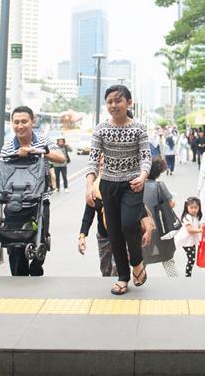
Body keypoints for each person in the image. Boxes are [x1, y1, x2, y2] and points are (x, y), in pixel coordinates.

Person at [85, 85, 152, 295]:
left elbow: (146, 157)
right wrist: (89, 187)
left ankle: (138, 262)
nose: (113, 105)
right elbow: (93, 159)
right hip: (108, 185)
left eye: (118, 100)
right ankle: (123, 277)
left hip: (132, 184)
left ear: (128, 103)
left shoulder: (139, 128)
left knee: (129, 224)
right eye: (110, 102)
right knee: (113, 233)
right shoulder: (100, 129)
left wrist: (142, 177)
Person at [1, 106, 66, 277]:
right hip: (15, 202)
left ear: (32, 122)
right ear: (12, 124)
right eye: (16, 122)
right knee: (15, 247)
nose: (20, 126)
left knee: (41, 238)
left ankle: (37, 267)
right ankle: (19, 281)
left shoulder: (44, 140)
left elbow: (61, 158)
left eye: (24, 121)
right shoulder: (7, 147)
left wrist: (36, 150)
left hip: (40, 201)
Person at [142, 157, 178, 277]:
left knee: (142, 259)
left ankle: (138, 280)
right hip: (161, 228)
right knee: (167, 258)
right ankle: (174, 281)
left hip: (143, 228)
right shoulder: (159, 185)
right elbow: (171, 203)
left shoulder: (138, 185)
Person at [78, 175, 117, 277]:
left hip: (120, 235)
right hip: (104, 236)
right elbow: (88, 215)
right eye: (100, 165)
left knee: (117, 267)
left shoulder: (120, 185)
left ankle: (119, 286)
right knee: (106, 269)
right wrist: (82, 236)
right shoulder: (94, 190)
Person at [174, 197, 204, 277]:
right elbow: (190, 230)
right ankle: (188, 275)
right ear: (186, 208)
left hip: (191, 240)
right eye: (191, 208)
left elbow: (196, 225)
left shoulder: (195, 216)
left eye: (196, 208)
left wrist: (200, 226)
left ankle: (188, 275)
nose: (194, 210)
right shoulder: (187, 217)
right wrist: (200, 230)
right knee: (191, 259)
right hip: (186, 241)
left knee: (191, 259)